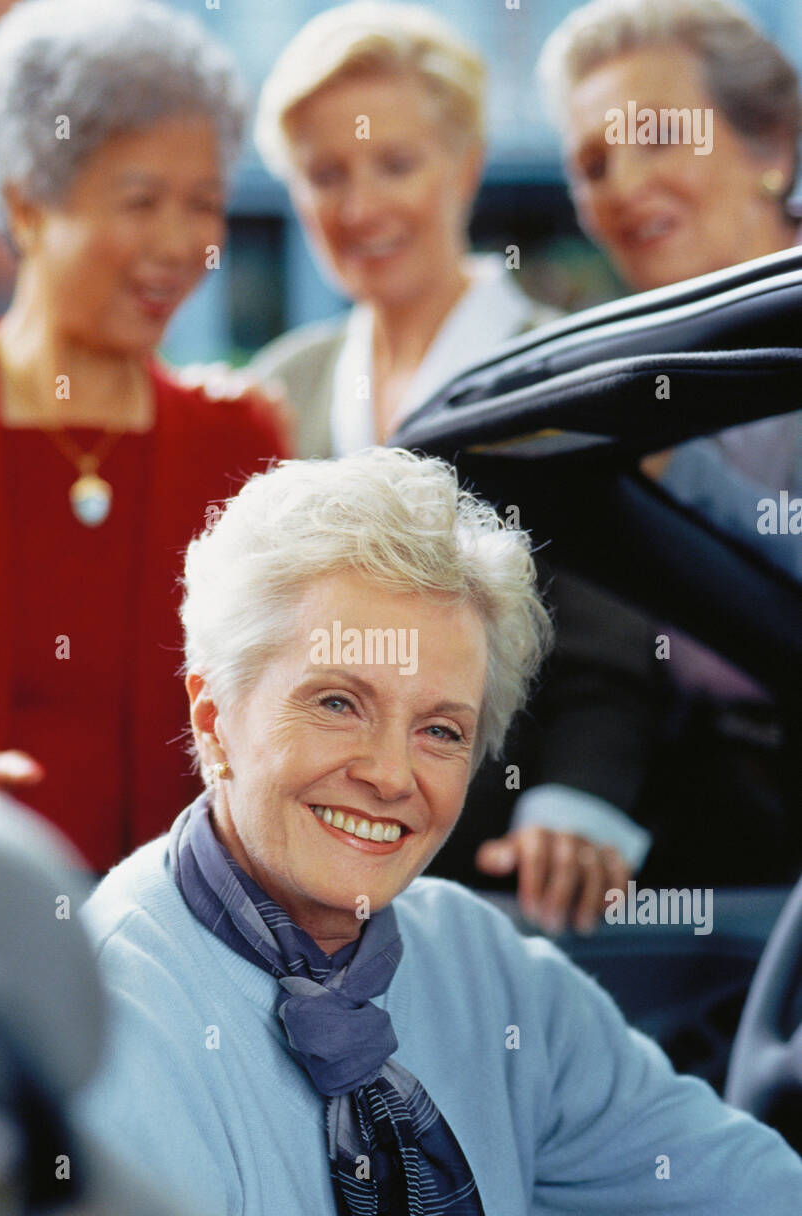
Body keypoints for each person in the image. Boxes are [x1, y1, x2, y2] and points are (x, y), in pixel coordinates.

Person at [75, 446, 802, 1216]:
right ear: (214, 718)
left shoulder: (485, 970)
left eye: (441, 731)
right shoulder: (110, 1024)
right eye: (339, 703)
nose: (390, 775)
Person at [240, 0, 660, 934]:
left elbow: (612, 643)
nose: (360, 207)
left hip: (512, 874)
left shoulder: (566, 375)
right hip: (305, 874)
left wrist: (577, 804)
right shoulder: (279, 390)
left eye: (396, 164)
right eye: (324, 175)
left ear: (465, 163)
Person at [0, 0, 287, 873]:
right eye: (140, 201)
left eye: (203, 204)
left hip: (191, 958)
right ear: (27, 206)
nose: (179, 243)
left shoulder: (240, 439)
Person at [538, 0, 802, 884]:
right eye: (591, 163)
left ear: (769, 147)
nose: (617, 186)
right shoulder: (614, 373)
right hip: (701, 838)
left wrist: (663, 466)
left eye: (655, 138)